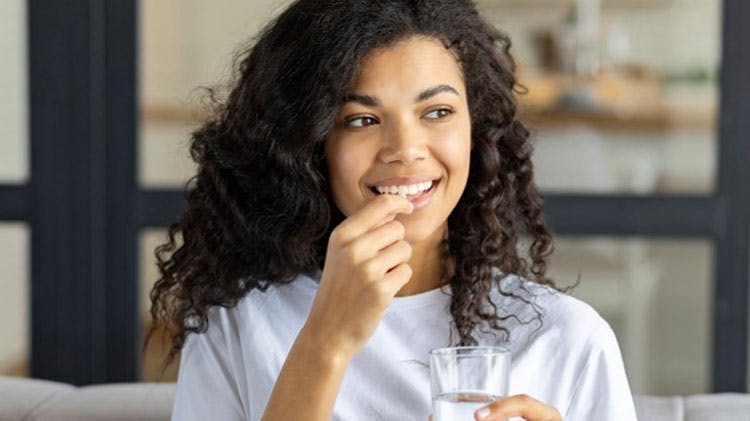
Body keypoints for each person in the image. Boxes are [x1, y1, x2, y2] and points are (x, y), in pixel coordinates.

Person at [147, 1, 638, 420]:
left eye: (438, 112)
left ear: (476, 130)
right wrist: (326, 341)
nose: (405, 149)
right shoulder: (238, 325)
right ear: (308, 146)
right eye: (361, 119)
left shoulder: (565, 338)